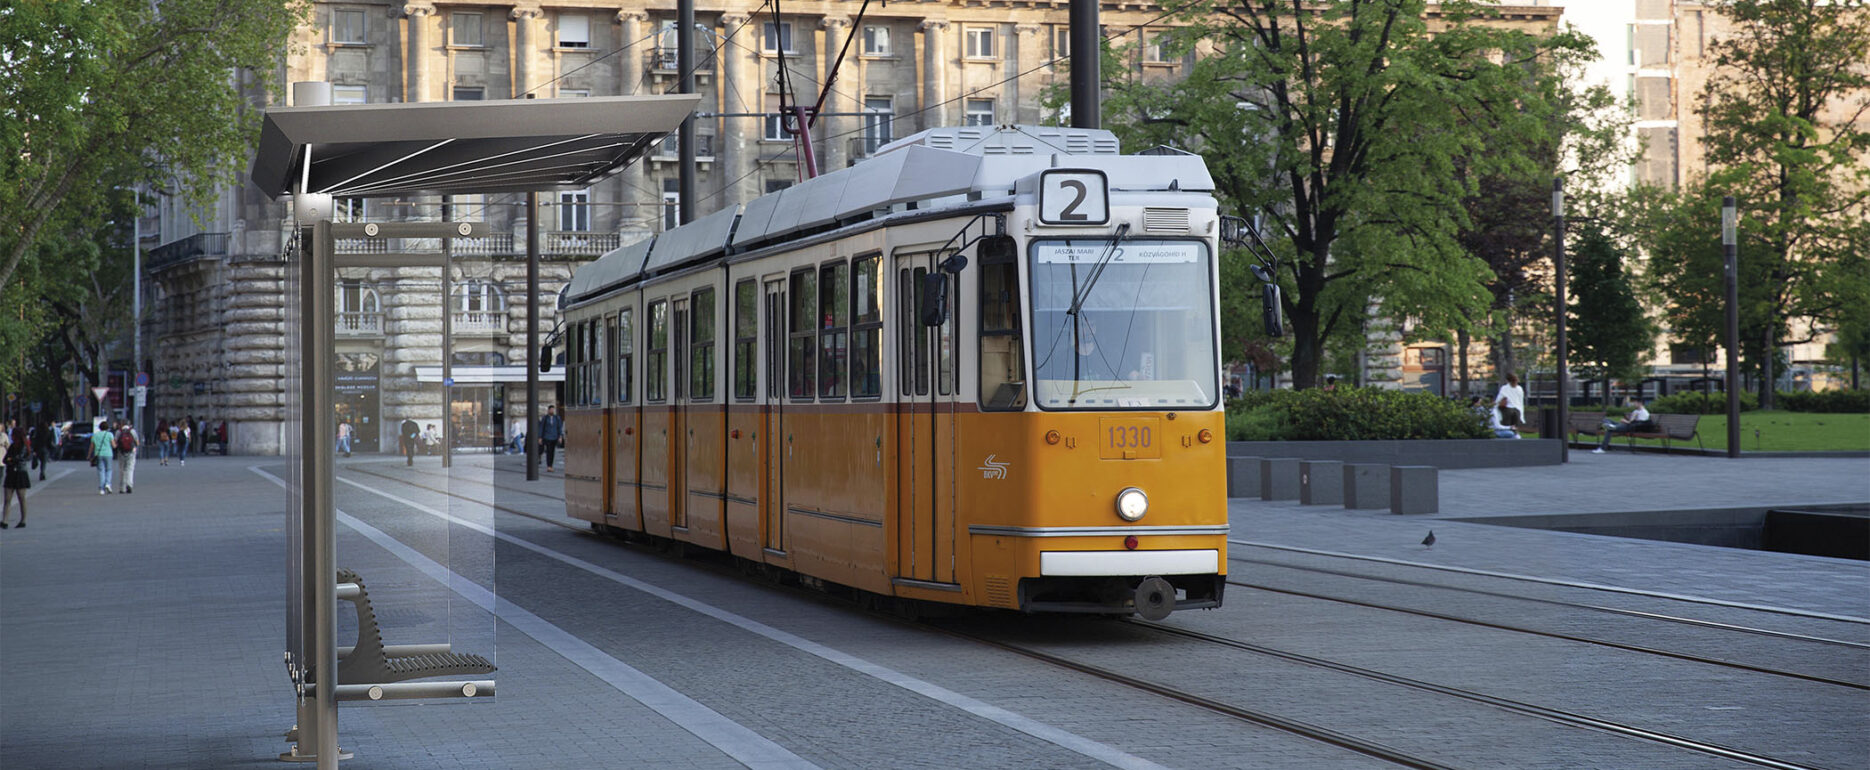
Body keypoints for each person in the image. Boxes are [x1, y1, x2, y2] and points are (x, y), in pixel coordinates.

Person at [2, 422, 30, 528]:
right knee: (7, 498)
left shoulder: (23, 446)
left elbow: (17, 459)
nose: (12, 436)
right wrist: (10, 460)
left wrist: (11, 460)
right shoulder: (12, 446)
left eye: (13, 434)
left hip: (20, 473)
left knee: (21, 498)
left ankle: (23, 520)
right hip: (11, 473)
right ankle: (4, 520)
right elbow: (6, 459)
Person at [89, 419, 115, 494]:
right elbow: (113, 445)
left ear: (100, 427)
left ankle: (101, 489)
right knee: (109, 470)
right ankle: (108, 484)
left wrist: (89, 455)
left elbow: (91, 446)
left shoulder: (95, 435)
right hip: (108, 454)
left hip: (98, 454)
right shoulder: (110, 434)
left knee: (101, 471)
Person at [115, 420, 139, 493]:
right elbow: (137, 443)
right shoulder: (132, 431)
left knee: (122, 469)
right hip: (131, 452)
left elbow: (115, 442)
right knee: (130, 468)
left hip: (121, 452)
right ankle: (129, 484)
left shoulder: (118, 432)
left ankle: (122, 488)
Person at [539, 405, 563, 472]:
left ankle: (551, 465)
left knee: (552, 452)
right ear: (548, 410)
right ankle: (549, 466)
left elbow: (559, 427)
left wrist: (560, 436)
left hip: (554, 437)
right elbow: (541, 428)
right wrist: (540, 437)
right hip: (547, 437)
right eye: (551, 409)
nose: (552, 411)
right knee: (549, 451)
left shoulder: (557, 418)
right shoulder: (545, 418)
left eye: (553, 410)